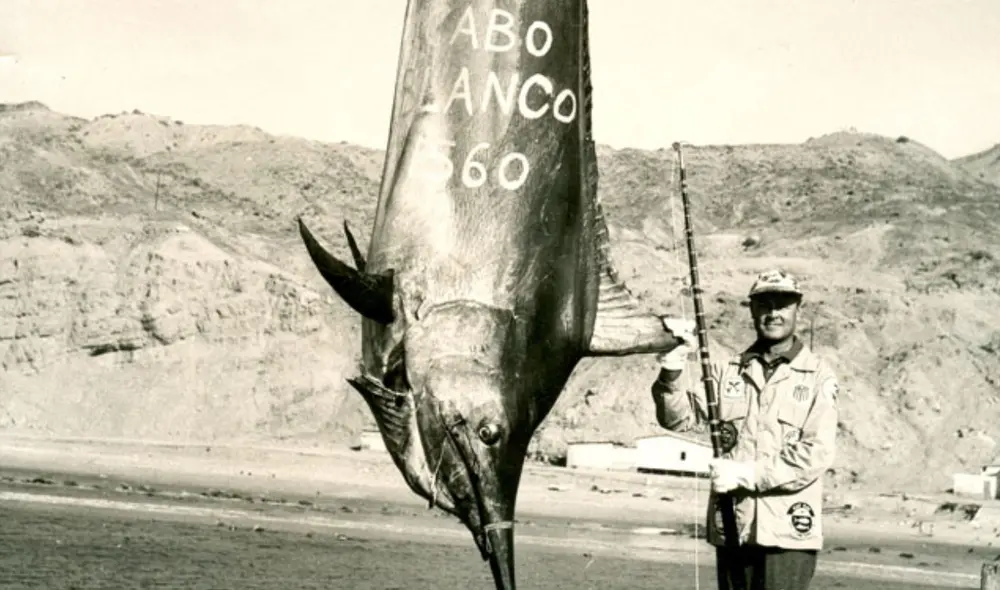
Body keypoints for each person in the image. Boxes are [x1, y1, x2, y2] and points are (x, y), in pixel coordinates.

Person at [652, 269, 839, 590]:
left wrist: (749, 475)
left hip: (788, 531)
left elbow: (816, 454)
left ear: (797, 309)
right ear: (752, 309)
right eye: (764, 304)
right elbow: (677, 418)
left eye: (783, 304)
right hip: (733, 524)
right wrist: (673, 368)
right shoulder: (728, 371)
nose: (773, 313)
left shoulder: (819, 376)